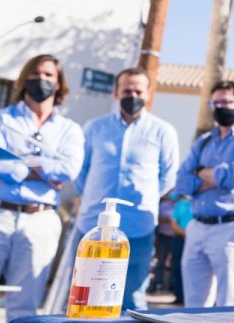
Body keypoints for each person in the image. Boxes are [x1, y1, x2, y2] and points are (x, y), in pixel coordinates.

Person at [0, 54, 85, 322]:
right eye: (35, 74)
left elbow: (68, 169)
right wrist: (42, 169)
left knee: (25, 308)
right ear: (25, 78)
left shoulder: (69, 129)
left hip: (41, 219)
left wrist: (19, 158)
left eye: (49, 75)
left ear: (59, 84)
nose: (42, 80)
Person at [74, 67, 179, 311]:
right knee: (85, 296)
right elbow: (81, 171)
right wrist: (92, 198)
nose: (132, 95)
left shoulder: (163, 132)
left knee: (132, 299)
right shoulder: (94, 128)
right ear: (116, 93)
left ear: (149, 93)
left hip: (138, 227)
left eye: (138, 90)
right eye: (127, 90)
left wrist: (148, 199)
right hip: (92, 226)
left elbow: (168, 177)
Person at [175, 80, 234, 307]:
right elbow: (181, 183)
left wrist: (199, 172)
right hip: (197, 227)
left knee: (229, 303)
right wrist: (217, 177)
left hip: (232, 228)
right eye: (215, 103)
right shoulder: (204, 141)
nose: (220, 107)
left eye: (226, 102)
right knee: (194, 306)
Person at [151, 193, 179, 294]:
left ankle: (171, 285)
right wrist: (168, 220)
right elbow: (157, 219)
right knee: (160, 261)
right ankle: (157, 283)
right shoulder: (164, 205)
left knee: (175, 263)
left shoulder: (181, 205)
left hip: (177, 236)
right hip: (164, 237)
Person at [169, 193, 193, 305]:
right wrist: (184, 233)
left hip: (196, 238)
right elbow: (173, 223)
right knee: (177, 267)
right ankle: (179, 295)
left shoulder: (200, 204)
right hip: (180, 239)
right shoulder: (180, 205)